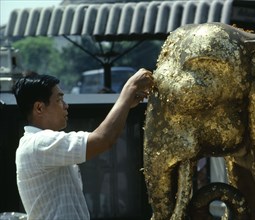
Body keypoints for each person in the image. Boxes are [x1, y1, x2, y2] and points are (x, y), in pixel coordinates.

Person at [12, 68, 154, 220]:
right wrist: (129, 89)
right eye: (59, 100)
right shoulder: (38, 143)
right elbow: (103, 139)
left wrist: (126, 103)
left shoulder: (39, 143)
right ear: (39, 108)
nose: (66, 106)